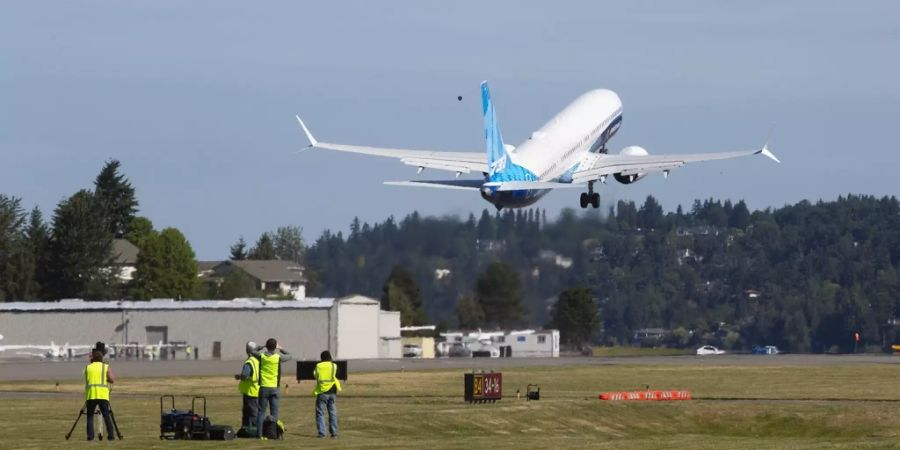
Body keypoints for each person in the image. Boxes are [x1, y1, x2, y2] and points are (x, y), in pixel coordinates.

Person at [252, 338, 291, 439]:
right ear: (275, 347)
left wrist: (262, 346)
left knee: (261, 412)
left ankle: (259, 434)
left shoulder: (262, 356)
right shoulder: (278, 357)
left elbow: (253, 351)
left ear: (267, 346)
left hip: (264, 387)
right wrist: (280, 348)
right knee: (274, 413)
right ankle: (274, 434)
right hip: (274, 388)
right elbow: (290, 355)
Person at [84, 349, 115, 441]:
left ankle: (90, 436)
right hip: (102, 395)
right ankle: (111, 436)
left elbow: (87, 378)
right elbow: (112, 379)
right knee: (106, 416)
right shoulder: (105, 367)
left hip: (91, 395)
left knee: (90, 417)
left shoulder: (87, 367)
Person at [313, 350, 342, 438]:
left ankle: (322, 433)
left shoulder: (318, 366)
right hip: (332, 391)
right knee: (332, 412)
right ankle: (334, 433)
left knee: (320, 413)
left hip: (322, 391)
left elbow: (315, 375)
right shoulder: (334, 366)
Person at [234, 341, 260, 430]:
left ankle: (254, 429)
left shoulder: (249, 362)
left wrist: (238, 377)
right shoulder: (258, 360)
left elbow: (245, 376)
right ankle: (246, 429)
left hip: (250, 391)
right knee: (252, 412)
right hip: (256, 390)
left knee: (250, 413)